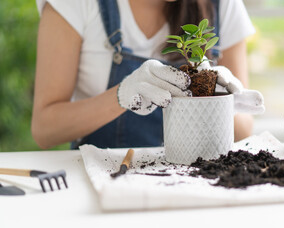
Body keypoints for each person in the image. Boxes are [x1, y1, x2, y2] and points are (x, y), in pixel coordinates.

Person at [32, 0, 263, 149]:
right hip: (106, 178)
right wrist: (122, 95)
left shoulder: (223, 6)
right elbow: (44, 130)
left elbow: (243, 131)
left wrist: (220, 99)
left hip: (192, 181)